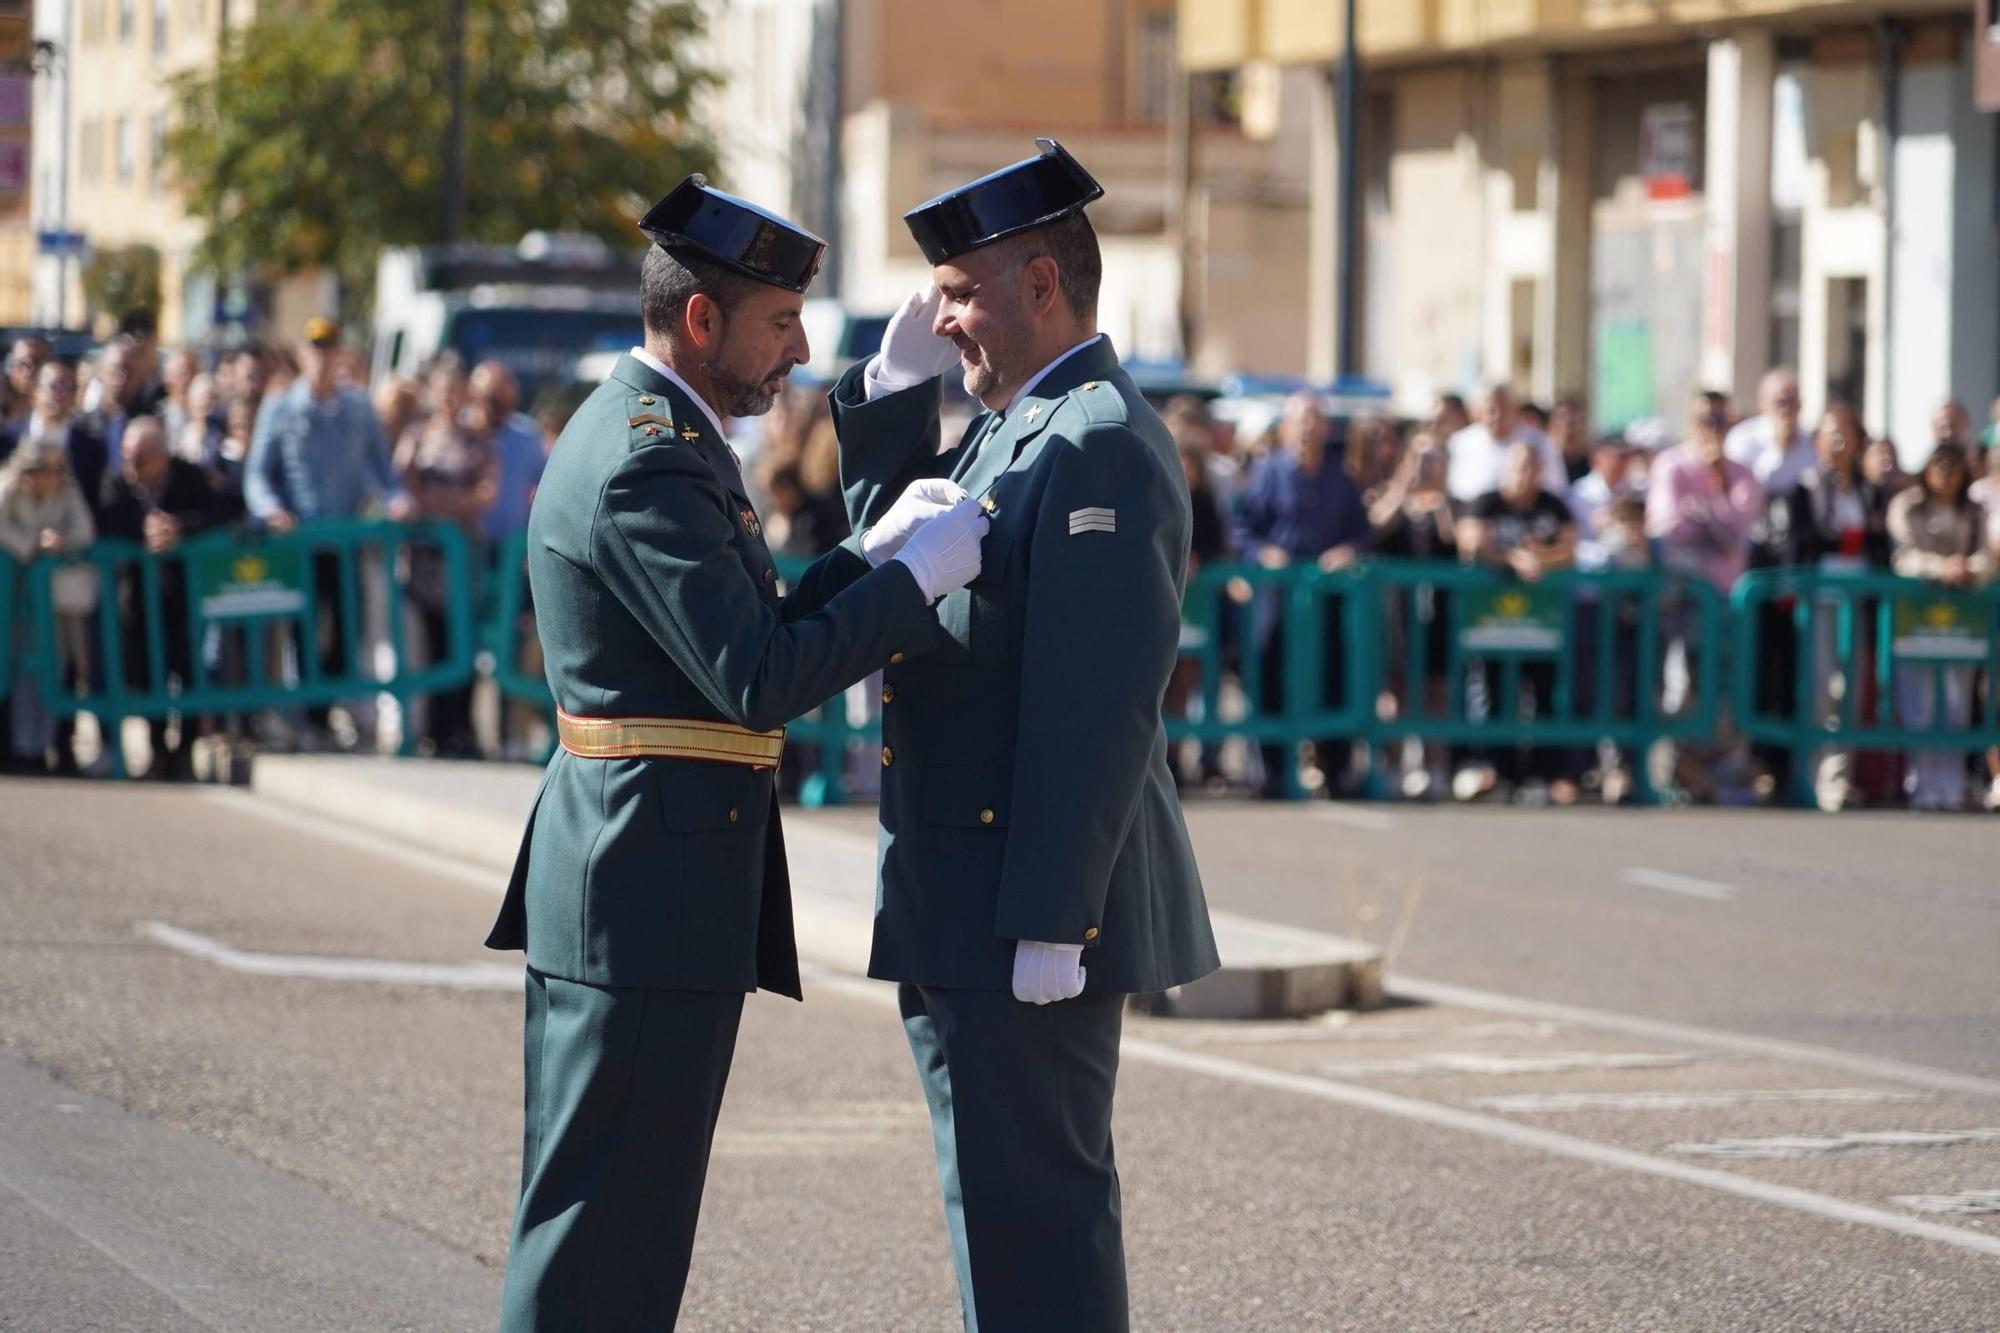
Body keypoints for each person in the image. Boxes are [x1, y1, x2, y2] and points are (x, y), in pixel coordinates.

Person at [482, 175, 983, 1332]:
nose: (800, 349)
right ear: (700, 321)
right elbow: (757, 676)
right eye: (779, 320)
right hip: (644, 888)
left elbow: (735, 623)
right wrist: (912, 581)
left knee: (610, 1219)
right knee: (606, 1230)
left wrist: (869, 553)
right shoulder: (650, 458)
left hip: (641, 875)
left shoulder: (657, 434)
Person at [827, 138, 1218, 1333]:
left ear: (1041, 285)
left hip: (1020, 905)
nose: (942, 322)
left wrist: (1056, 914)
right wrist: (888, 407)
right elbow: (898, 562)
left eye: (959, 292)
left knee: (1033, 1218)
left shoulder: (1091, 435)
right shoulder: (1020, 424)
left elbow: (1096, 705)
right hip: (966, 890)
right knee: (992, 1215)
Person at [244, 316, 412, 747]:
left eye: (330, 347)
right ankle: (305, 715)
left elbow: (382, 470)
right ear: (303, 354)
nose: (322, 356)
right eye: (314, 348)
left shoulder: (357, 408)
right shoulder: (281, 407)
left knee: (345, 627)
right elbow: (257, 476)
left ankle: (326, 711)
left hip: (346, 540)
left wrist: (395, 499)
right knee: (302, 630)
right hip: (298, 542)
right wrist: (271, 510)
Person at [1233, 390, 1372, 798]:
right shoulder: (1268, 473)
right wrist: (1264, 552)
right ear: (1287, 427)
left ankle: (1337, 769)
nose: (1308, 428)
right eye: (1300, 420)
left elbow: (1362, 533)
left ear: (1326, 427)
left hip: (1328, 597)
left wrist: (1348, 551)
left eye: (1315, 419)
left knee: (1335, 673)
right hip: (1278, 595)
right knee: (1268, 671)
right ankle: (1271, 771)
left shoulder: (1340, 478)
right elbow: (1242, 530)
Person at [1648, 391, 1764, 801]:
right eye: (1703, 419)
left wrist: (1712, 494)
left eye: (1719, 419)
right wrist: (1714, 522)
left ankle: (1716, 771)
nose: (1711, 428)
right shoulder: (1672, 465)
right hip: (1683, 600)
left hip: (1728, 603)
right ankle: (1677, 770)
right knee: (1680, 687)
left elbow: (1735, 533)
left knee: (1722, 690)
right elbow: (1671, 530)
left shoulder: (1743, 475)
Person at [96, 416, 223, 779]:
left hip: (184, 594)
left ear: (163, 456)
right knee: (147, 672)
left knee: (189, 670)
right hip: (137, 598)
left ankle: (184, 751)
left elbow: (215, 515)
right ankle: (156, 749)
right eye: (128, 456)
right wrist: (144, 533)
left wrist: (179, 529)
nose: (133, 467)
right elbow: (107, 522)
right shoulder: (116, 481)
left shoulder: (189, 475)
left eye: (142, 458)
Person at [1456, 441, 1578, 802]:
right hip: (1493, 621)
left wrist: (1542, 559)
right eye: (1518, 466)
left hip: (1542, 622)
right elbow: (1472, 541)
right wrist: (1513, 560)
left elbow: (1571, 547)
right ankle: (1500, 769)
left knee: (1543, 695)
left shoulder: (1551, 504)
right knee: (1496, 694)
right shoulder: (1488, 501)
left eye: (1531, 466)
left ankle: (1540, 773)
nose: (1524, 474)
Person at [397, 353, 498, 758]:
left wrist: (438, 503)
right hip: (424, 557)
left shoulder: (478, 441)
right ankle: (432, 729)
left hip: (464, 557)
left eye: (457, 393)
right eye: (443, 393)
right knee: (430, 640)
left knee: (465, 640)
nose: (450, 401)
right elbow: (406, 487)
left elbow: (485, 496)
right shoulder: (417, 437)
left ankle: (462, 729)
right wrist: (452, 504)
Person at [1887, 442, 1991, 810]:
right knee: (1920, 702)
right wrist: (1939, 568)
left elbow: (1986, 558)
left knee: (1957, 703)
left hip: (1962, 622)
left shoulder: (1974, 511)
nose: (1946, 473)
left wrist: (1967, 570)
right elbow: (1903, 556)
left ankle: (1951, 784)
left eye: (1953, 465)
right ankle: (1923, 784)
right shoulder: (1908, 506)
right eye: (1939, 465)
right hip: (1916, 619)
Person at [0, 439, 96, 774]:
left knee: (48, 671)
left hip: (48, 602)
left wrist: (61, 543)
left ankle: (39, 747)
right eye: (45, 469)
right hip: (11, 600)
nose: (52, 476)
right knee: (15, 672)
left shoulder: (67, 492)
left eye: (57, 469)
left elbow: (84, 530)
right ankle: (16, 746)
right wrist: (30, 546)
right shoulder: (9, 489)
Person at [1446, 379, 1568, 504]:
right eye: (1490, 410)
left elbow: (1555, 489)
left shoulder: (1541, 442)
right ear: (1476, 411)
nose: (1497, 416)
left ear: (1516, 408)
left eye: (1503, 408)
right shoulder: (1460, 443)